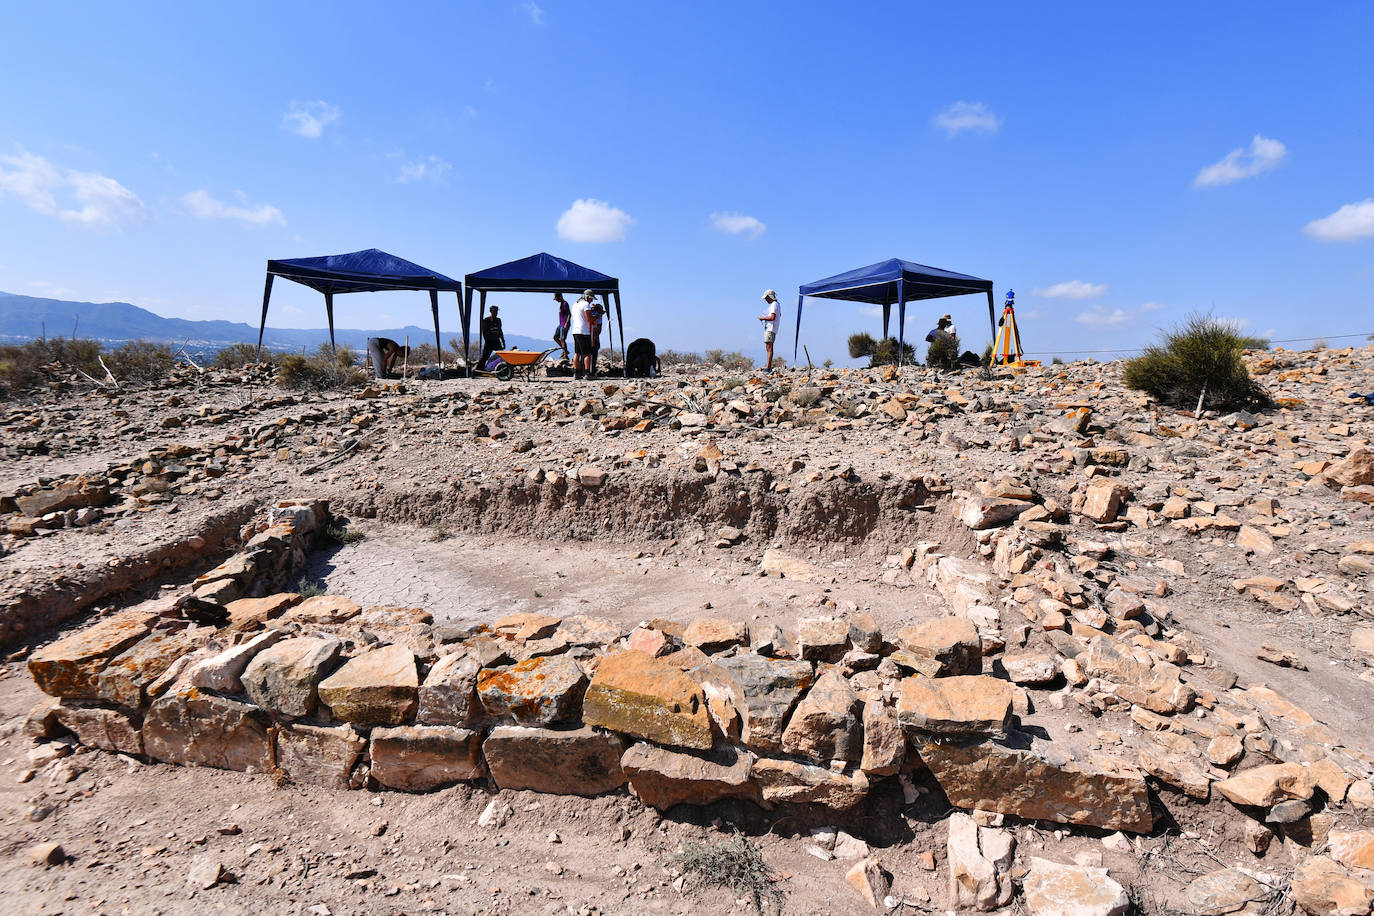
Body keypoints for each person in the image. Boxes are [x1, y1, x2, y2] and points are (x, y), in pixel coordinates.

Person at [570, 289, 595, 380]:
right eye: (591, 298)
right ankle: (587, 373)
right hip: (584, 332)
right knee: (587, 354)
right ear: (588, 297)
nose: (591, 300)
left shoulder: (575, 304)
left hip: (575, 331)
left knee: (577, 353)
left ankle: (576, 373)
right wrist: (597, 316)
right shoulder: (586, 304)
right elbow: (589, 319)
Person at [757, 289, 780, 370]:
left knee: (769, 347)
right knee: (768, 347)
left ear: (770, 297)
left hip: (771, 328)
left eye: (766, 298)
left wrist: (763, 318)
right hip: (771, 328)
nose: (766, 300)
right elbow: (779, 315)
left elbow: (772, 317)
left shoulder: (774, 304)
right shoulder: (777, 304)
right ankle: (768, 366)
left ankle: (768, 367)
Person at [588, 301, 605, 379]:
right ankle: (591, 371)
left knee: (589, 354)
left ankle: (588, 371)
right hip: (593, 337)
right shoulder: (598, 316)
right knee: (593, 355)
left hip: (589, 336)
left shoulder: (592, 314)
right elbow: (599, 330)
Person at [552, 293, 571, 360]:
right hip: (560, 324)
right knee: (555, 337)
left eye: (556, 298)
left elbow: (569, 314)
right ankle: (566, 351)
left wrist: (566, 323)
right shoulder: (561, 304)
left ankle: (565, 355)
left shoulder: (565, 303)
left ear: (559, 297)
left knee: (562, 339)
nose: (556, 300)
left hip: (564, 324)